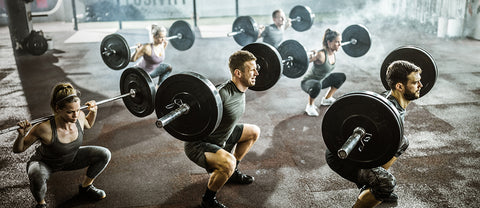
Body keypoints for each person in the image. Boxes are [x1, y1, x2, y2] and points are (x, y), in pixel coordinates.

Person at [325, 60, 423, 208]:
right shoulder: (384, 114)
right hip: (343, 155)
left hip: (363, 149)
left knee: (401, 141)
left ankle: (369, 185)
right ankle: (376, 186)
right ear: (400, 86)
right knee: (386, 183)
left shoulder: (392, 101)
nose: (421, 86)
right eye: (416, 83)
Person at [13, 83, 111, 208]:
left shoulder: (79, 116)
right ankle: (41, 204)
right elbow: (18, 149)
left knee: (104, 154)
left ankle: (86, 187)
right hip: (46, 163)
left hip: (71, 158)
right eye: (70, 112)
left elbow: (88, 124)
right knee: (36, 174)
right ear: (58, 109)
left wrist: (93, 112)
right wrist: (21, 135)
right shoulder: (44, 128)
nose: (75, 115)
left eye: (77, 110)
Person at [184, 50, 261, 208]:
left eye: (256, 68)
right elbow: (197, 114)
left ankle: (232, 173)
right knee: (228, 163)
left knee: (254, 132)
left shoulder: (241, 88)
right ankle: (208, 201)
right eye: (252, 70)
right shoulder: (222, 94)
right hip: (198, 145)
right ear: (238, 73)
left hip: (222, 137)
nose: (257, 73)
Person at [301, 28, 346, 116]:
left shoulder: (332, 53)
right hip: (308, 82)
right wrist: (308, 55)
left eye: (340, 41)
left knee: (341, 77)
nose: (340, 44)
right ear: (329, 42)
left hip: (322, 81)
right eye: (337, 42)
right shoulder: (320, 54)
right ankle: (309, 106)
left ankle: (327, 99)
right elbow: (304, 62)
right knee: (317, 84)